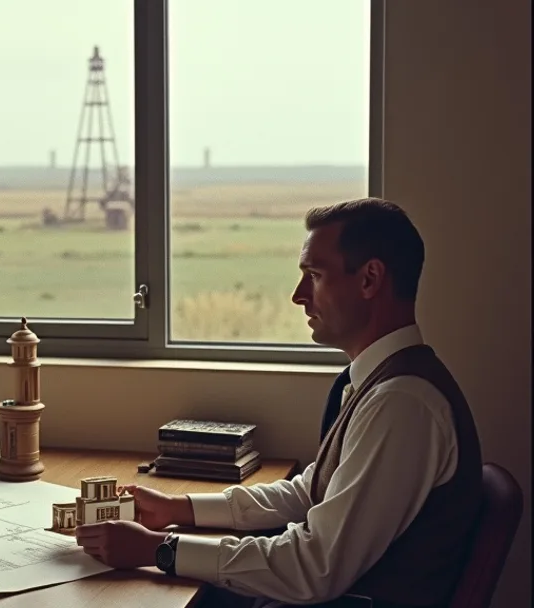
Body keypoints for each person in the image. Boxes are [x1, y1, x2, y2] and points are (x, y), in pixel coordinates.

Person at [75, 198, 483, 608]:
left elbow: (314, 569)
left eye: (314, 275)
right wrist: (177, 508)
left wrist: (159, 549)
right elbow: (309, 493)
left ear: (369, 279)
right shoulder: (383, 384)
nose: (298, 295)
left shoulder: (402, 403)